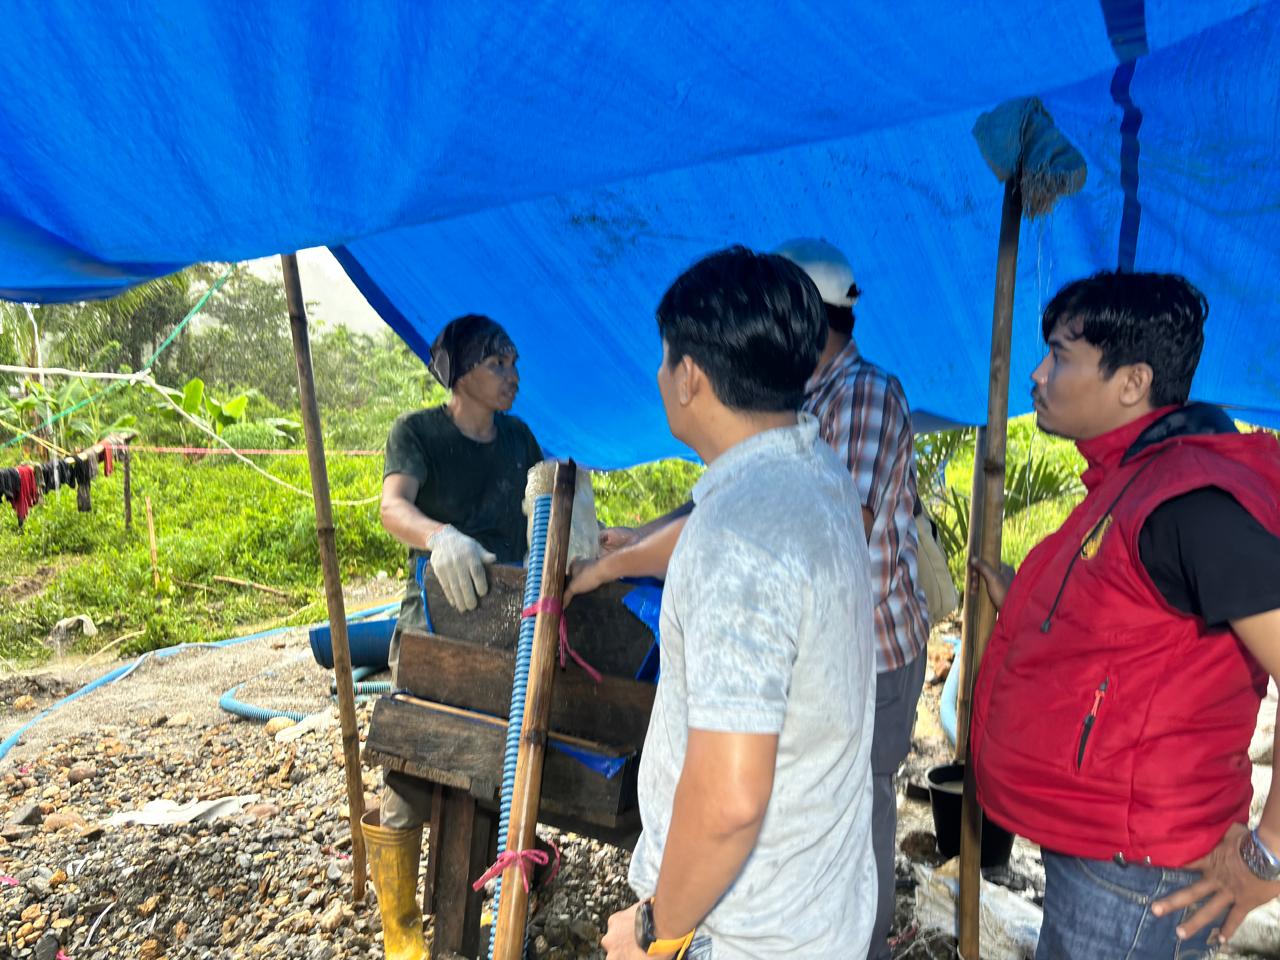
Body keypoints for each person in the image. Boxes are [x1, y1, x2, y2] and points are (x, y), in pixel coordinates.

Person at [574, 239, 929, 959]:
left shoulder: (743, 535)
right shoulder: (814, 471)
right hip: (810, 905)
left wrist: (655, 928)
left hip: (742, 929)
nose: (659, 372)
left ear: (691, 378)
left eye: (664, 356)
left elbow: (731, 800)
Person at [969, 271, 1280, 958]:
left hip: (1138, 874)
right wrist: (1021, 597)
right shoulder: (1131, 481)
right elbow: (1132, 617)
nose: (1038, 373)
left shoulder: (1189, 501)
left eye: (1060, 355)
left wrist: (1268, 855)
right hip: (1104, 852)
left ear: (1133, 383)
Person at [367, 313, 541, 960]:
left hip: (505, 619)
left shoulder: (520, 438)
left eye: (514, 365)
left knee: (496, 761)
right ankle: (402, 928)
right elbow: (392, 506)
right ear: (458, 372)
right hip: (435, 617)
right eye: (498, 365)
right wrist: (439, 536)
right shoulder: (419, 433)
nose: (512, 378)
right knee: (411, 761)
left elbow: (542, 506)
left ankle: (488, 897)